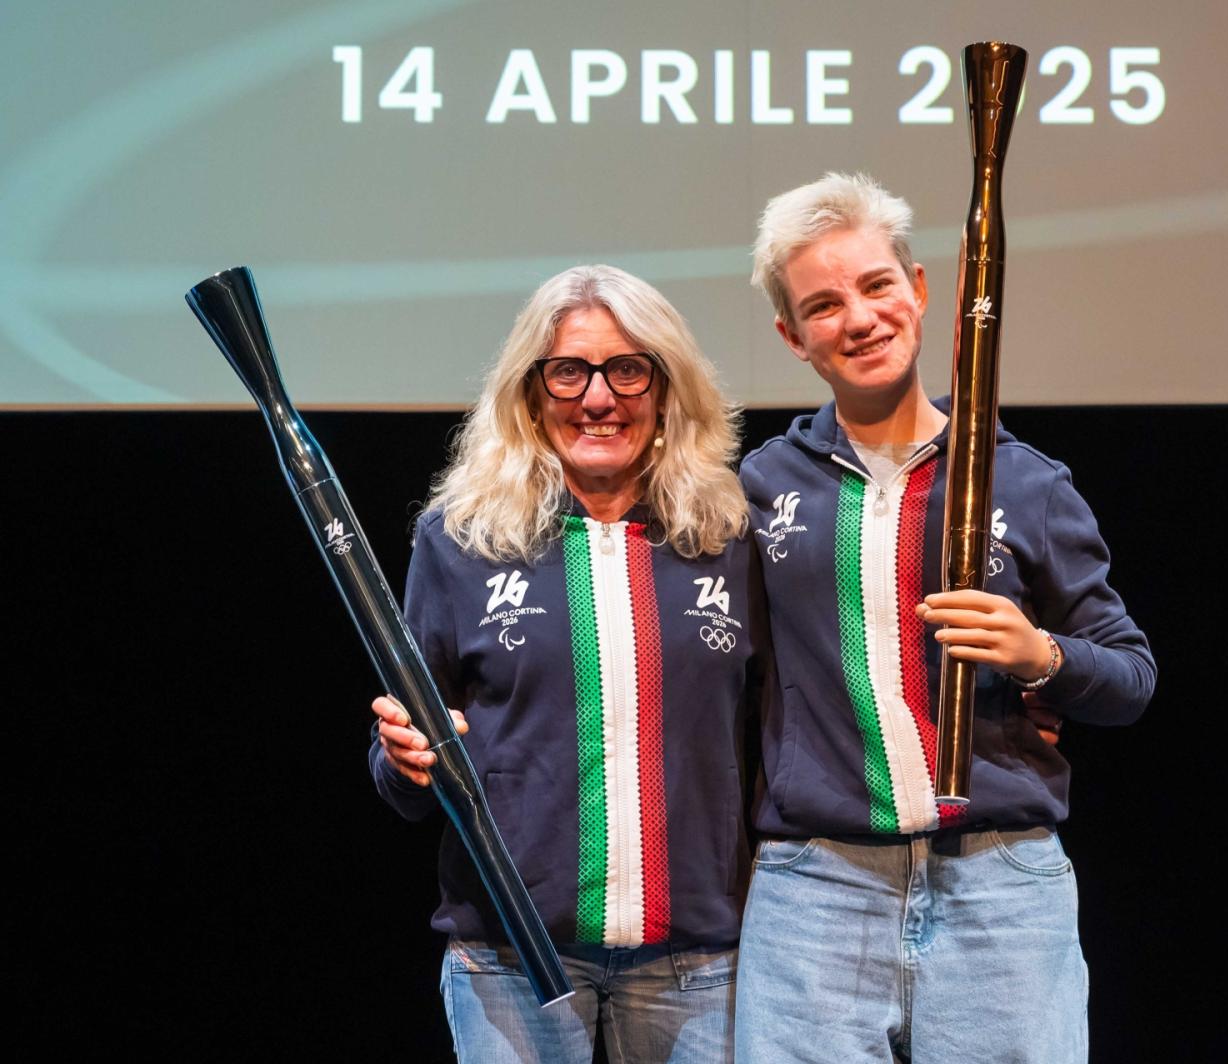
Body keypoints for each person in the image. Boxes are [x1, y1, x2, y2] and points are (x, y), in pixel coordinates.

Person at [734, 173, 1156, 1063]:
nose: (860, 317)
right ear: (793, 337)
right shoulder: (759, 490)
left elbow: (1129, 675)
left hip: (1001, 880)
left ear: (921, 292)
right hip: (816, 887)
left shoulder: (1027, 481)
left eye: (878, 285)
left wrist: (1041, 656)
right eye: (823, 304)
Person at [369, 265, 758, 1064]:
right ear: (531, 392)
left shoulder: (728, 536)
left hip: (699, 961)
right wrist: (403, 760)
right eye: (568, 371)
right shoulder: (462, 540)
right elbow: (406, 749)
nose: (598, 397)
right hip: (511, 959)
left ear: (664, 388)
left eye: (627, 368)